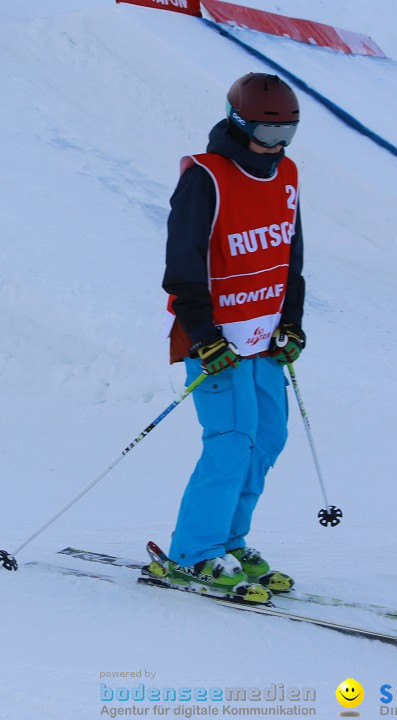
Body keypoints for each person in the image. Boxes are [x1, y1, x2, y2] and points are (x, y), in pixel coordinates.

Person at [151, 72, 307, 603]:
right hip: (217, 342)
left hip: (264, 338)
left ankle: (229, 542)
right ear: (241, 126)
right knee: (230, 442)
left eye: (287, 135)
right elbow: (182, 265)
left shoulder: (286, 176)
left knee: (266, 440)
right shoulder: (206, 178)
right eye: (268, 135)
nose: (277, 146)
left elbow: (291, 256)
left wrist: (292, 322)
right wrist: (203, 333)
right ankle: (192, 555)